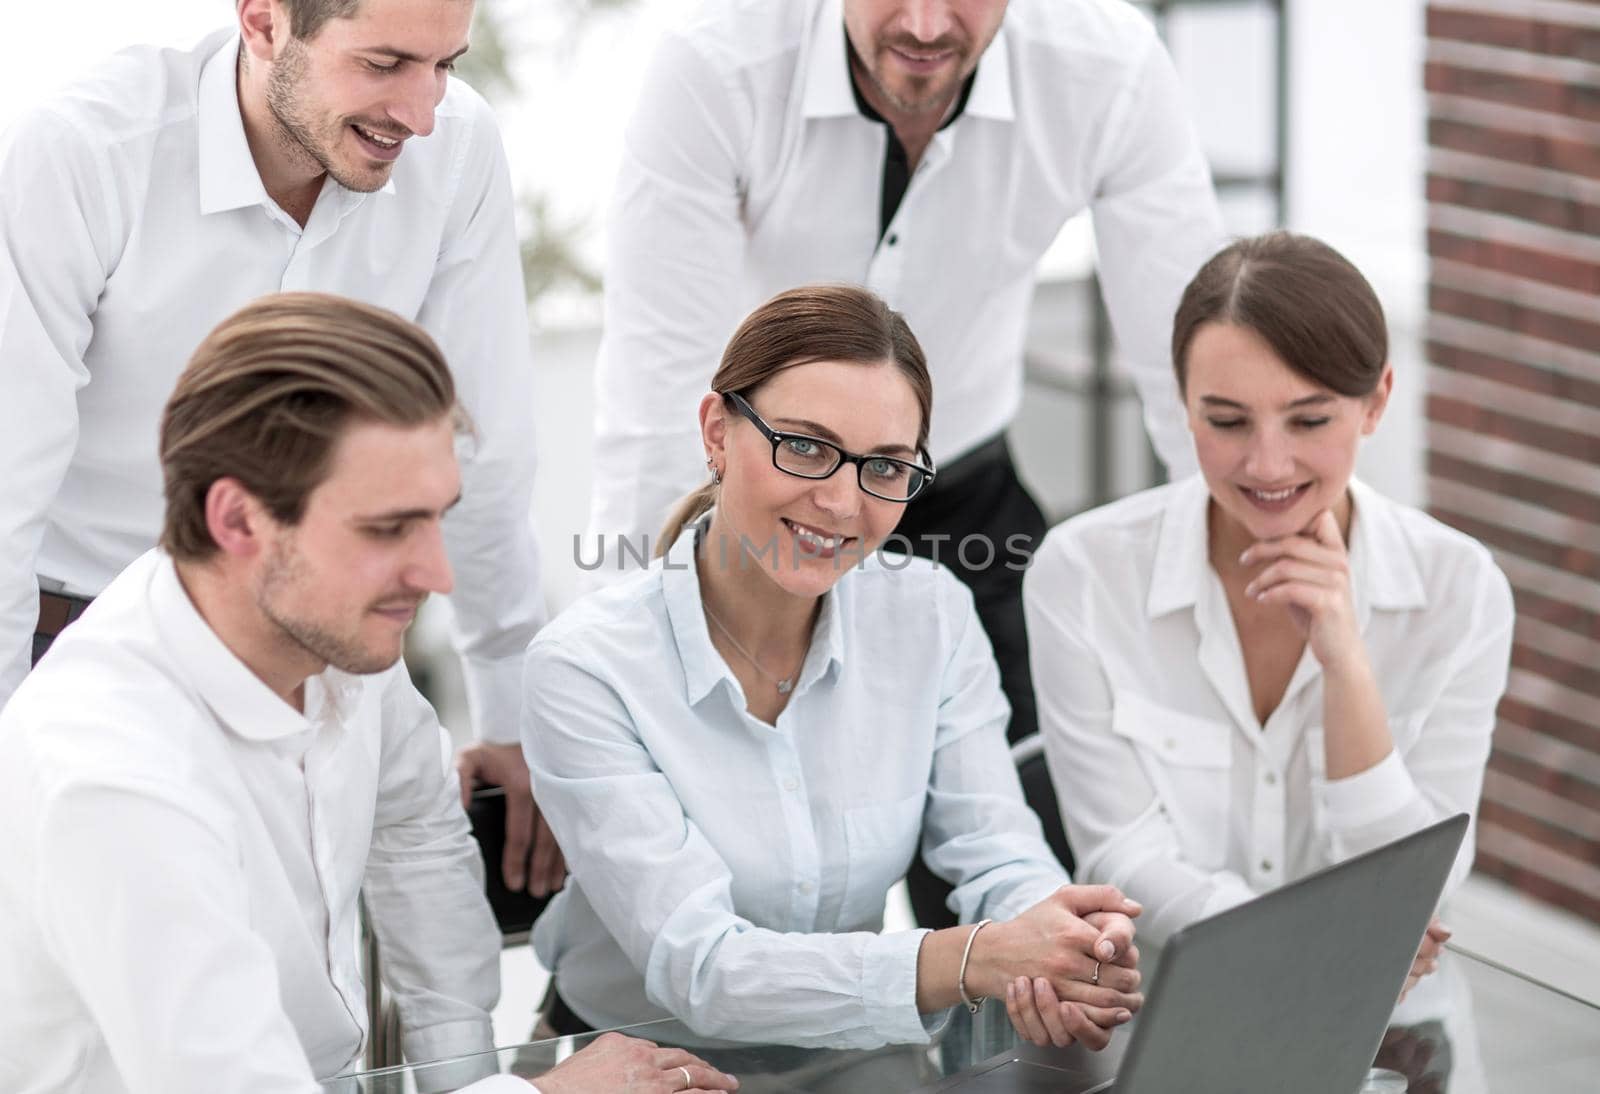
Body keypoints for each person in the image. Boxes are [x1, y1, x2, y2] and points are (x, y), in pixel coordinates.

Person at [0, 294, 737, 1094]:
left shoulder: (332, 629)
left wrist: (464, 1074)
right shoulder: (115, 776)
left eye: (436, 521)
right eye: (388, 530)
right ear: (238, 520)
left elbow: (417, 830)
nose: (436, 576)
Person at [0, 0, 556, 895]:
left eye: (446, 65)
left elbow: (485, 451)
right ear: (263, 23)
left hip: (310, 651)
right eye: (383, 65)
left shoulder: (456, 151)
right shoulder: (82, 152)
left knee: (324, 976)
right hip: (70, 650)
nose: (420, 112)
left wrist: (511, 710)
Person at [522, 285, 1144, 1070]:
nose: (842, 501)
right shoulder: (586, 667)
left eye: (884, 465)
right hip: (633, 1064)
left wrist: (1061, 942)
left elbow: (997, 851)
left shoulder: (932, 618)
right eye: (806, 446)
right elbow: (702, 967)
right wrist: (978, 958)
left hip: (848, 1054)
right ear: (717, 431)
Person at [584, 0, 1226, 752]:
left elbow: (1196, 368)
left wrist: (1225, 616)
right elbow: (654, 398)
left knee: (1027, 818)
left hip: (970, 506)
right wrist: (624, 678)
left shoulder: (1110, 71)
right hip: (768, 513)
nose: (924, 26)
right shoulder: (717, 67)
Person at [1024, 233, 1514, 996]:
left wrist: (1347, 665)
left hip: (1386, 1028)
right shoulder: (1083, 574)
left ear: (1376, 402)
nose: (1267, 465)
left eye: (1309, 421)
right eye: (1226, 421)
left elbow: (1428, 885)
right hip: (1163, 1010)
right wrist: (1307, 949)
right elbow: (1118, 851)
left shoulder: (1461, 590)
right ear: (1183, 407)